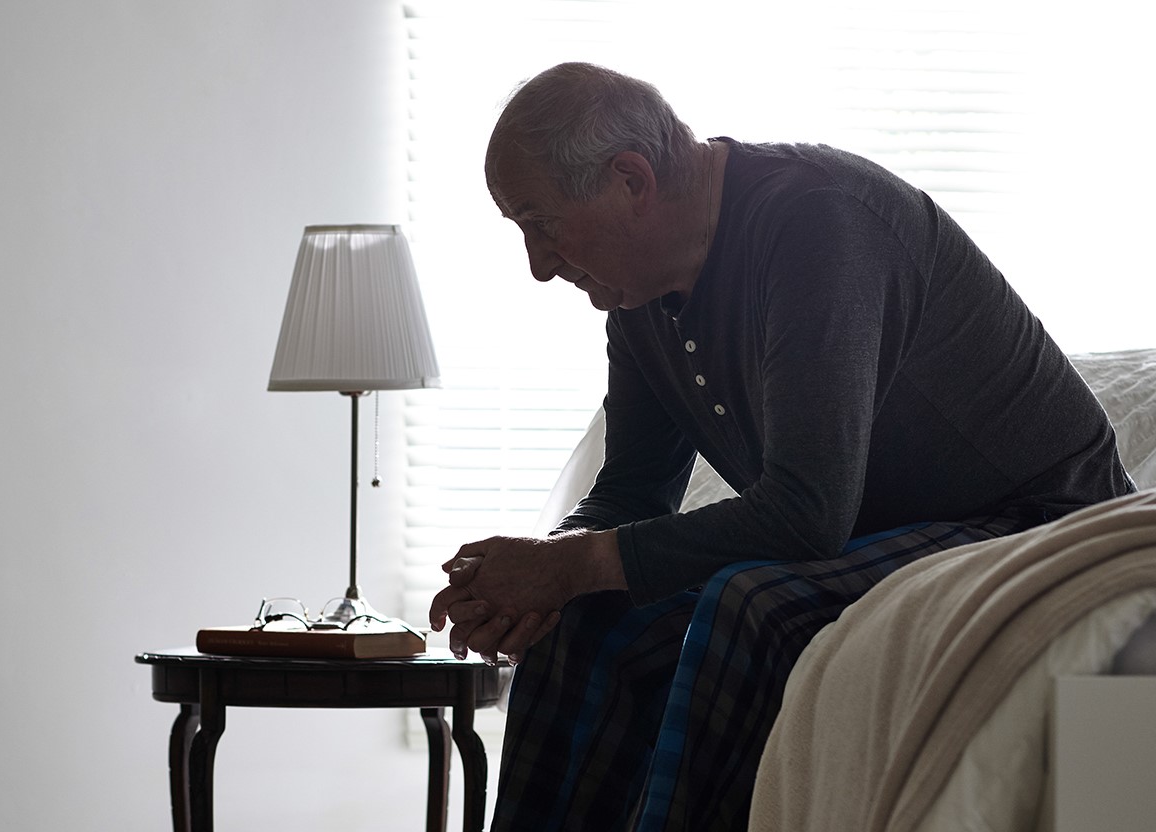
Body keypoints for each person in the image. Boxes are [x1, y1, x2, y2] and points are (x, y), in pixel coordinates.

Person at [428, 62, 1134, 831]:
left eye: (541, 222)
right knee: (589, 617)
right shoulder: (638, 298)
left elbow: (806, 515)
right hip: (883, 539)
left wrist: (569, 566)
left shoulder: (819, 223)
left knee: (749, 604)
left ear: (630, 179)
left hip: (1043, 524)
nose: (537, 265)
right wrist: (548, 573)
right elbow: (631, 490)